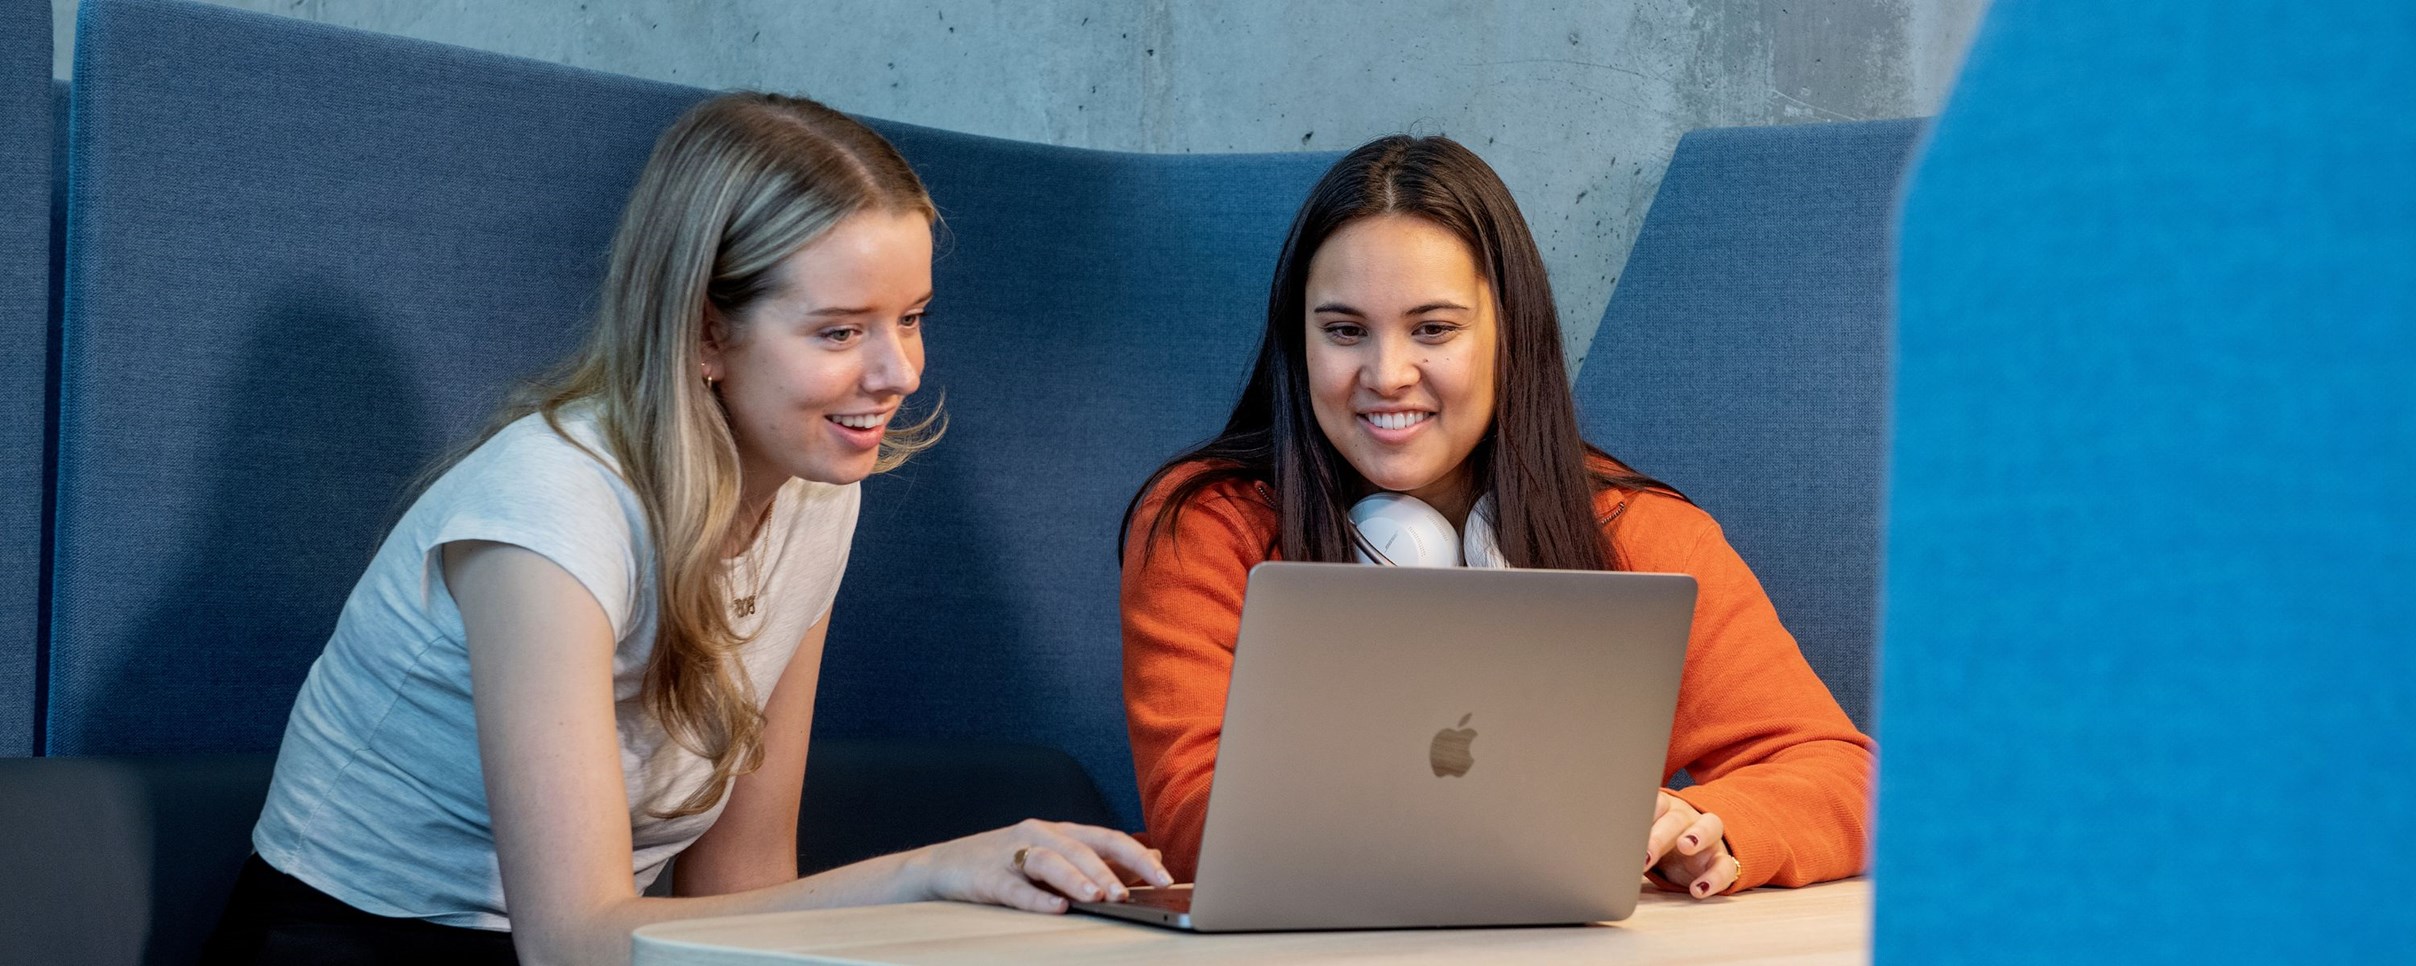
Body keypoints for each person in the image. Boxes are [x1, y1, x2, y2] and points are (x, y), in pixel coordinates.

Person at [206, 92, 1168, 966]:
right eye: (839, 332)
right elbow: (573, 942)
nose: (898, 371)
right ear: (707, 334)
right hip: (350, 944)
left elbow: (739, 882)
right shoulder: (550, 510)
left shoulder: (819, 491)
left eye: (909, 317)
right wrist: (924, 873)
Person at [1119, 135, 1873, 899]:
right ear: (1299, 342)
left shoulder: (1634, 529)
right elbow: (1197, 820)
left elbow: (1847, 775)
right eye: (1344, 331)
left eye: (1434, 330)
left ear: (1509, 334)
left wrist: (1705, 823)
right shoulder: (1205, 524)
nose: (1386, 375)